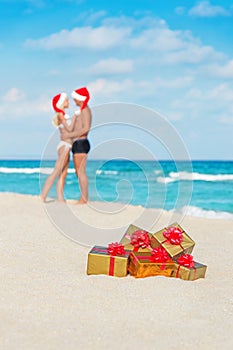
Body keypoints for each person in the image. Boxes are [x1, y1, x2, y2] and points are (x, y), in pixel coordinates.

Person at [40, 92, 76, 202]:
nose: (68, 102)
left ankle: (60, 198)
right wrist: (76, 117)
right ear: (61, 103)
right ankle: (43, 195)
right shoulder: (60, 115)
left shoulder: (64, 115)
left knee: (63, 173)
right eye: (66, 100)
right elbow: (69, 128)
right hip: (64, 146)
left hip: (68, 146)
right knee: (56, 171)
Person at [61, 86, 92, 204]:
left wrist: (71, 135)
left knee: (81, 172)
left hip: (81, 143)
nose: (74, 101)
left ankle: (84, 198)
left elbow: (86, 128)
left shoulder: (85, 110)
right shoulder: (79, 113)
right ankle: (82, 197)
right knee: (77, 172)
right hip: (77, 143)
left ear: (80, 99)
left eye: (75, 99)